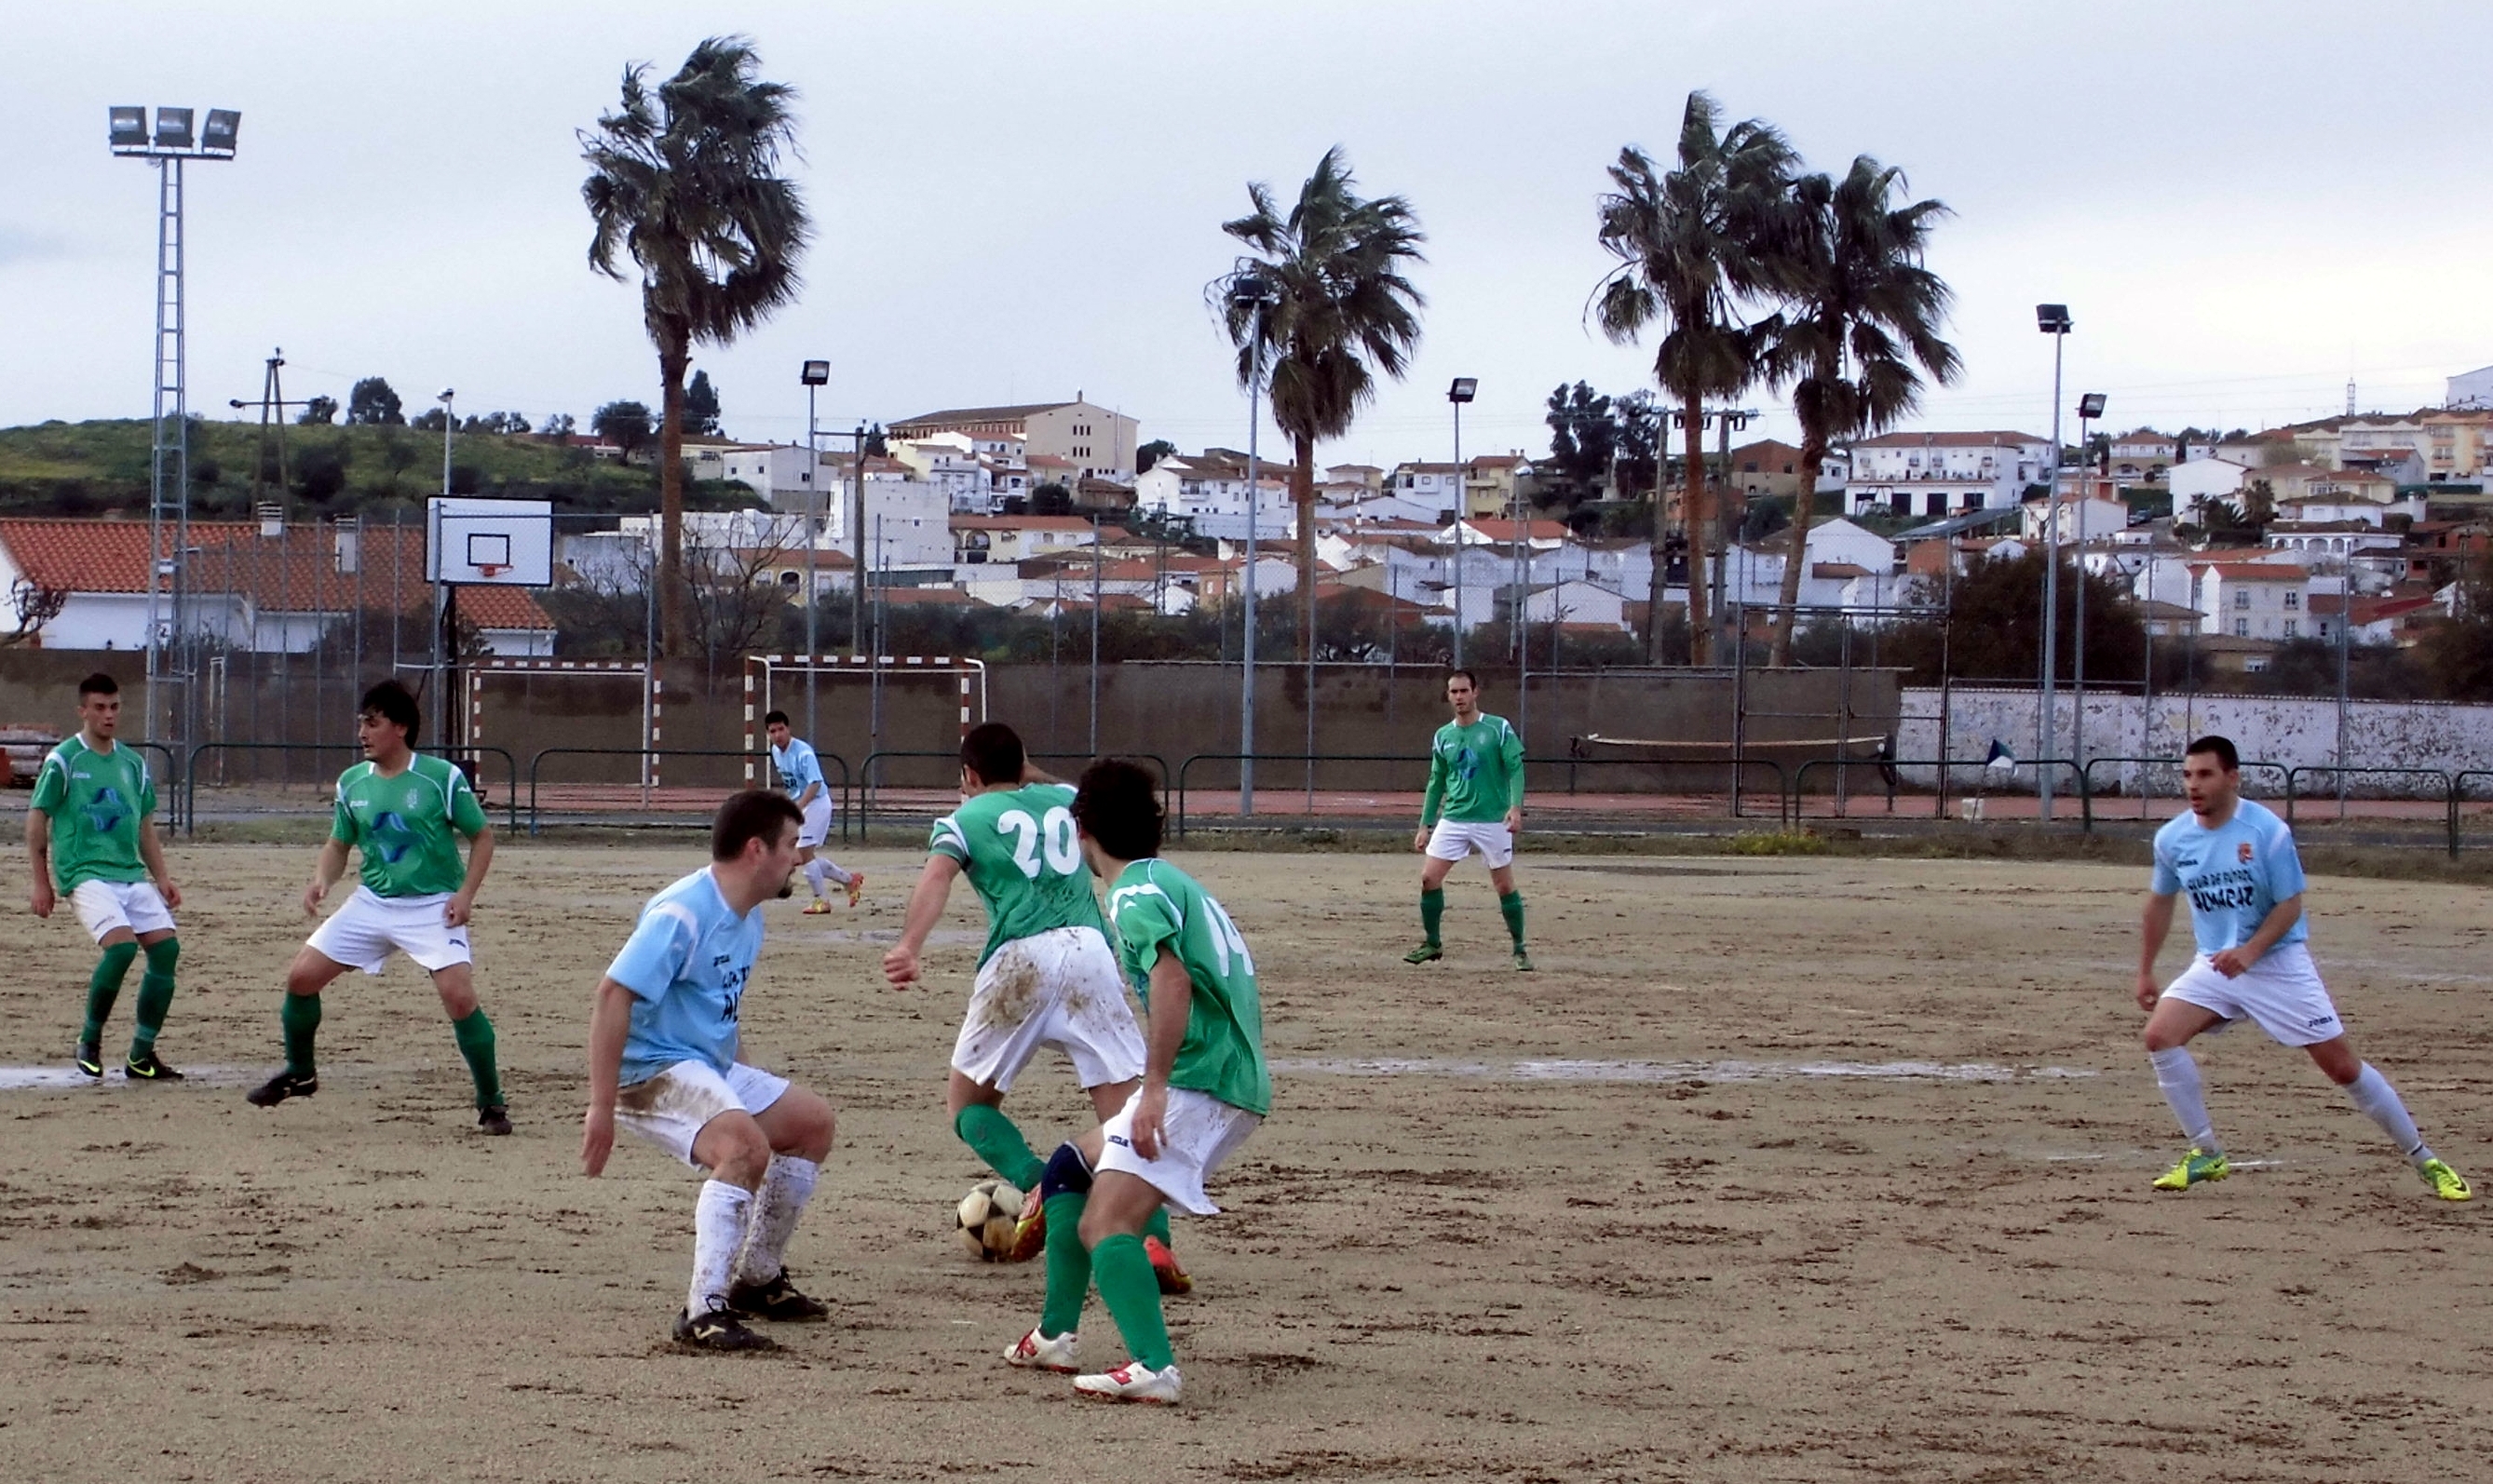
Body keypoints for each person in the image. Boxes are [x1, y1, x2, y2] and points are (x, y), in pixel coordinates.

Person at [1001, 759, 1270, 1405]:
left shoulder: (1132, 895)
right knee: (1067, 1169)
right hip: (1223, 1072)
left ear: (1081, 828)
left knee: (1105, 1226)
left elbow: (1172, 980)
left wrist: (1152, 1088)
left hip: (1201, 1081)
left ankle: (1155, 1368)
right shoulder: (1166, 878)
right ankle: (1054, 1335)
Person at [880, 722, 1186, 1290]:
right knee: (1122, 1119)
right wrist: (1027, 771)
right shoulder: (1067, 800)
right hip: (1091, 952)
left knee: (968, 1106)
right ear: (1023, 766)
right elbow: (1061, 787)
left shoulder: (963, 820)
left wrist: (909, 945)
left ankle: (1043, 1185)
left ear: (969, 776)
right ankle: (1154, 1243)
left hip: (1018, 963)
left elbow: (937, 878)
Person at [2135, 734, 2470, 1201]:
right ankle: (2206, 1152)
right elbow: (2160, 902)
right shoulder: (2172, 838)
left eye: (2205, 774)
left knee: (2342, 1068)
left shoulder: (2266, 832)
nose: (2194, 785)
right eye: (2188, 775)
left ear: (2232, 778)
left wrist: (2250, 953)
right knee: (2159, 1037)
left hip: (2276, 964)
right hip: (2214, 964)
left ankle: (2425, 1158)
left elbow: (2290, 905)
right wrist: (2147, 969)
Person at [581, 789, 840, 1351]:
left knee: (811, 1124)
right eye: (792, 845)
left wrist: (743, 1080)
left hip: (703, 1065)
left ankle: (759, 1280)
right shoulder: (682, 912)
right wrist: (601, 1106)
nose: (800, 857)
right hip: (647, 1075)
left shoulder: (746, 917)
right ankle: (703, 1312)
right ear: (756, 849)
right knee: (743, 1149)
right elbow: (611, 996)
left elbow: (718, 1012)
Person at [245, 681, 511, 1134]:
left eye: (373, 722)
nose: (363, 732)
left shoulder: (440, 777)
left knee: (460, 997)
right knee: (301, 978)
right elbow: (339, 843)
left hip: (431, 906)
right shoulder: (352, 783)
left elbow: (482, 837)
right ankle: (301, 1073)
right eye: (361, 723)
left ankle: (492, 1103)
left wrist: (464, 895)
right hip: (371, 904)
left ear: (401, 728)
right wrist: (321, 881)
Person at [26, 672, 185, 1081]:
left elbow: (144, 826)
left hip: (129, 873)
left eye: (114, 707)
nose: (108, 715)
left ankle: (141, 1056)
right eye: (99, 707)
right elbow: (37, 816)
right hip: (84, 872)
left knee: (166, 951)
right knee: (121, 949)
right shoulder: (64, 759)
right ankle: (89, 1039)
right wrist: (41, 881)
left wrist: (162, 877)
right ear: (83, 711)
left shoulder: (133, 764)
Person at [1405, 668, 1531, 971]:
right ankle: (1433, 944)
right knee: (1428, 879)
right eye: (1454, 692)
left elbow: (1515, 767)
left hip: (1492, 820)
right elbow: (1436, 782)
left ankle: (1519, 949)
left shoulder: (1498, 728)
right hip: (1454, 818)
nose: (1459, 697)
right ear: (1448, 696)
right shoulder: (1443, 736)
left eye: (1464, 691)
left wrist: (1515, 807)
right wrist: (1425, 824)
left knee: (1503, 886)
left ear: (1475, 692)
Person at [764, 709, 862, 913]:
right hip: (801, 804)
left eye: (781, 729)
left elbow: (815, 783)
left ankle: (822, 901)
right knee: (802, 856)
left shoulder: (803, 752)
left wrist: (798, 807)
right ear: (768, 734)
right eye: (773, 731)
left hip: (816, 803)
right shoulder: (775, 752)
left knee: (804, 854)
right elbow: (792, 784)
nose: (778, 735)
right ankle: (850, 880)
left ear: (788, 729)